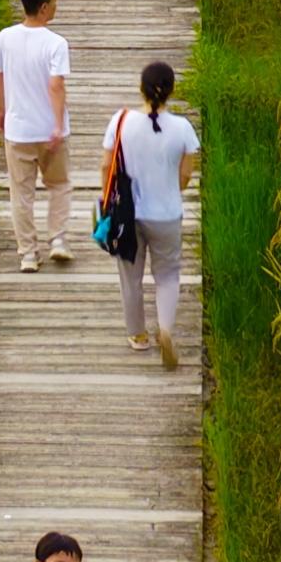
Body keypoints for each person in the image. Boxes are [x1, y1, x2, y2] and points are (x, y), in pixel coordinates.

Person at [105, 63, 199, 368]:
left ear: (140, 88)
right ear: (172, 91)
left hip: (129, 214)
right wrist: (171, 190)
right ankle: (167, 329)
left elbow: (106, 166)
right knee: (168, 275)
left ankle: (138, 335)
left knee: (130, 277)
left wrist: (109, 202)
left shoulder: (121, 121)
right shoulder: (183, 129)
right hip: (167, 214)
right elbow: (185, 176)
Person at [0, 0, 76, 274]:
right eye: (54, 1)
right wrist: (56, 125)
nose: (56, 5)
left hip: (18, 131)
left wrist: (0, 111)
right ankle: (58, 239)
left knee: (21, 193)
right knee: (60, 185)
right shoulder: (56, 44)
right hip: (49, 132)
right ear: (43, 7)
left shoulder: (5, 37)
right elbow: (56, 86)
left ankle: (28, 253)